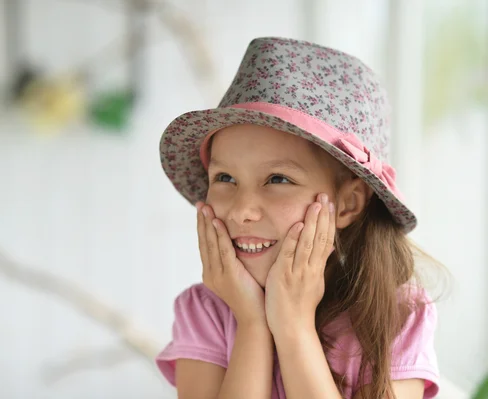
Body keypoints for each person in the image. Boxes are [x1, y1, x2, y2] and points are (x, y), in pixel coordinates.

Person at [155, 37, 442, 399]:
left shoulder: (399, 315)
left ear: (349, 204)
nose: (243, 210)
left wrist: (292, 326)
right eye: (225, 178)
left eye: (278, 180)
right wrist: (252, 323)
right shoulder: (205, 311)